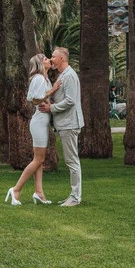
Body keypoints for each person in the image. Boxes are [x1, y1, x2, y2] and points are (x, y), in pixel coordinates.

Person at [5, 54, 62, 206]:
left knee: (39, 161)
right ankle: (16, 189)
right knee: (39, 160)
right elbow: (35, 99)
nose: (49, 60)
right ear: (40, 64)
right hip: (38, 122)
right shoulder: (39, 78)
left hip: (42, 122)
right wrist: (52, 90)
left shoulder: (44, 79)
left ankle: (39, 192)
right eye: (45, 59)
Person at [38, 46, 84, 207]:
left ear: (62, 59)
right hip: (65, 123)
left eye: (53, 56)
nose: (51, 59)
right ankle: (73, 195)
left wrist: (51, 108)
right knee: (71, 160)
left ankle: (75, 197)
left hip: (70, 123)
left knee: (72, 161)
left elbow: (70, 101)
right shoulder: (63, 75)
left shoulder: (69, 76)